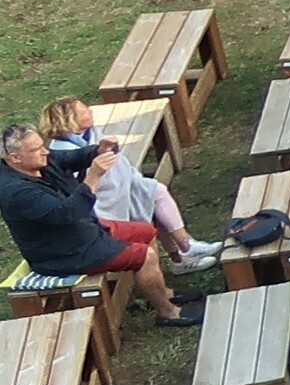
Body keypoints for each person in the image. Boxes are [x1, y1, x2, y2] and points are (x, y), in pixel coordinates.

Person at [0, 124, 198, 326]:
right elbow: (67, 214)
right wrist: (93, 176)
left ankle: (161, 292)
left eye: (43, 145)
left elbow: (72, 158)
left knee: (146, 231)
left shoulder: (40, 161)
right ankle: (168, 313)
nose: (45, 152)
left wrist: (98, 150)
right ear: (15, 158)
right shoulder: (16, 191)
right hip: (63, 253)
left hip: (83, 231)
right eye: (36, 149)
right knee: (145, 256)